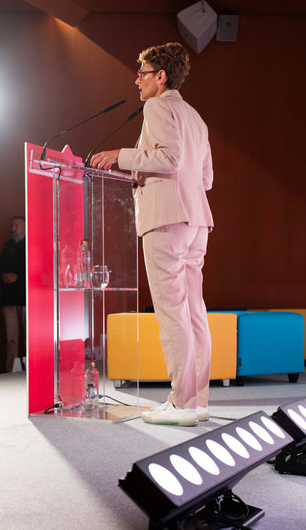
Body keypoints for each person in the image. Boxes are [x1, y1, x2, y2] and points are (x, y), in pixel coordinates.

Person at [90, 42, 214, 427]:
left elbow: (168, 159)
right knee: (194, 312)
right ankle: (197, 401)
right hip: (197, 221)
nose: (137, 79)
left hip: (165, 220)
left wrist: (121, 157)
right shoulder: (194, 116)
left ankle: (180, 403)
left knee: (172, 314)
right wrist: (141, 169)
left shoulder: (157, 105)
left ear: (161, 77)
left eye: (141, 71)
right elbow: (205, 177)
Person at [0, 216, 26, 371]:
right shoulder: (6, 247)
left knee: (29, 339)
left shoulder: (30, 246)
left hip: (26, 299)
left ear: (25, 227)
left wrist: (18, 276)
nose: (12, 229)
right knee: (11, 339)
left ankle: (31, 369)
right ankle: (11, 371)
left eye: (16, 225)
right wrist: (3, 276)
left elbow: (36, 270)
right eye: (12, 225)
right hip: (8, 299)